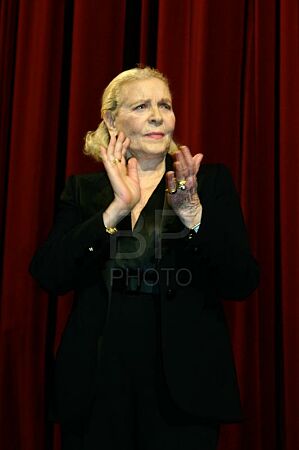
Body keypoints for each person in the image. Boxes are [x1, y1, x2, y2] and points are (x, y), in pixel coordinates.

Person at [30, 66, 259, 450]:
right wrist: (114, 210)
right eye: (141, 105)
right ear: (111, 118)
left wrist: (194, 218)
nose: (157, 115)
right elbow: (48, 275)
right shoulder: (84, 189)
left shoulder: (210, 183)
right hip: (97, 386)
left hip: (183, 390)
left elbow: (242, 281)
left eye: (164, 105)